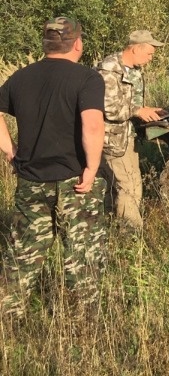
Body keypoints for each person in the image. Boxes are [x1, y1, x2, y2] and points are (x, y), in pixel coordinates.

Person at [0, 17, 107, 317]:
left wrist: (11, 151)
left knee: (23, 252)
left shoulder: (20, 78)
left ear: (46, 44)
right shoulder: (87, 78)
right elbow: (93, 125)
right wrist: (92, 166)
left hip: (30, 180)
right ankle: (85, 321)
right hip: (74, 181)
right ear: (77, 44)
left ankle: (8, 317)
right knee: (82, 251)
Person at [96, 30, 167, 229]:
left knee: (124, 185)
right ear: (136, 49)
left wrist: (149, 111)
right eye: (149, 54)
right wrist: (138, 111)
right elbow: (108, 108)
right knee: (128, 188)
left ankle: (111, 227)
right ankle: (131, 235)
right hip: (112, 140)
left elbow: (128, 102)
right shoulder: (110, 70)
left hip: (126, 138)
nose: (151, 59)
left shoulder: (132, 70)